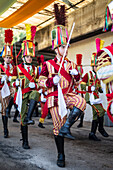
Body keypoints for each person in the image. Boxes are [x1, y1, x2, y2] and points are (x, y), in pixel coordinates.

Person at [38, 4, 86, 167]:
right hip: (54, 97)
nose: (65, 49)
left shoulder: (71, 64)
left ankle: (67, 127)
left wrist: (76, 75)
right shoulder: (48, 64)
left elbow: (77, 82)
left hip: (69, 94)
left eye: (66, 46)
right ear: (56, 48)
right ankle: (61, 154)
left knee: (81, 102)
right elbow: (41, 81)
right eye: (62, 46)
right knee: (57, 129)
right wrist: (52, 81)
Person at [11, 25, 40, 149]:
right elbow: (12, 80)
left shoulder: (35, 69)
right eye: (27, 56)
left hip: (31, 92)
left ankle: (29, 117)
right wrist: (15, 83)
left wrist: (36, 84)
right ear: (23, 57)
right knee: (22, 118)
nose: (30, 58)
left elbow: (39, 81)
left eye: (31, 56)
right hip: (22, 93)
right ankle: (25, 140)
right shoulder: (17, 68)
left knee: (36, 94)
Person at [81, 51, 109, 141]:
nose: (97, 68)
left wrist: (102, 90)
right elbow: (82, 85)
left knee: (96, 115)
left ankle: (92, 133)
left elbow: (99, 88)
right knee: (101, 111)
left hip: (96, 97)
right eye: (96, 66)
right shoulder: (88, 74)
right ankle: (100, 129)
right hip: (90, 97)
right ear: (92, 66)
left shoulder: (98, 76)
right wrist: (89, 88)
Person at [0, 29, 16, 138]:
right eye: (7, 57)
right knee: (4, 110)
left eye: (10, 57)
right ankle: (5, 129)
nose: (8, 59)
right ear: (3, 58)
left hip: (11, 88)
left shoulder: (14, 68)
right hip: (2, 89)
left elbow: (16, 78)